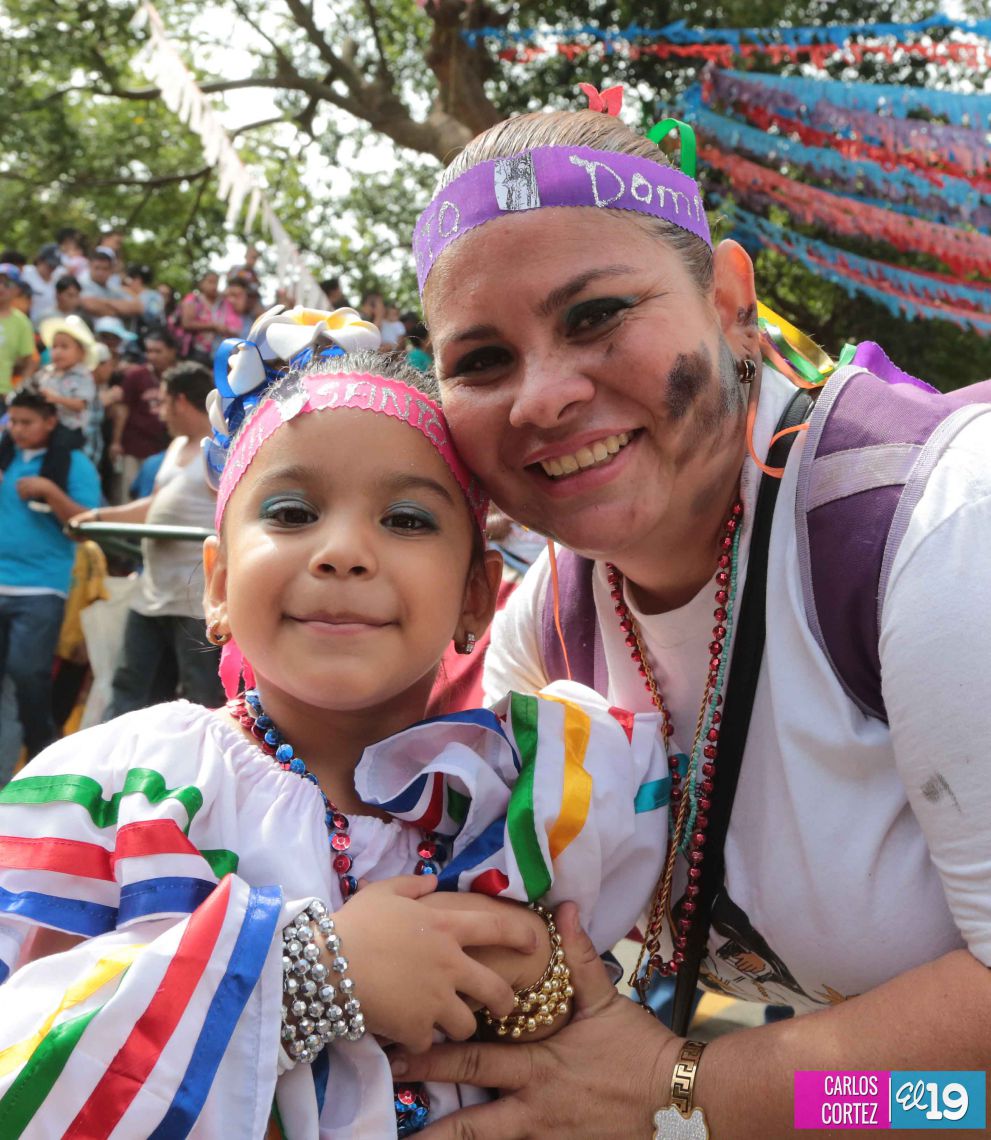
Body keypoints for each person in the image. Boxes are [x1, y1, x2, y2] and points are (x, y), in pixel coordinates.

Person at [384, 102, 991, 1136]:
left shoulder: (937, 530)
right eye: (481, 360)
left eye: (595, 315)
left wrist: (689, 1091)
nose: (542, 398)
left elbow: (950, 1104)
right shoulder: (547, 628)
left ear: (729, 301)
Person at [0, 308, 670, 1136]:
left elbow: (817, 1095)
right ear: (217, 582)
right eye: (290, 513)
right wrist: (308, 974)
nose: (344, 551)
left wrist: (538, 995)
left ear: (476, 595)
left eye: (407, 520)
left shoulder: (535, 798)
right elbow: (23, 1073)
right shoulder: (126, 795)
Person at [74, 361, 226, 715]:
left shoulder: (222, 448)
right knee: (131, 687)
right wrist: (98, 517)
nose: (159, 412)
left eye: (163, 402)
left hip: (194, 602)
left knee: (199, 696)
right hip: (153, 593)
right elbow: (154, 506)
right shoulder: (176, 447)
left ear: (181, 401)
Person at [0, 389, 100, 768]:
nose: (17, 429)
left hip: (41, 585)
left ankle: (40, 756)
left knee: (28, 674)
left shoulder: (73, 463)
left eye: (27, 422)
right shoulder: (5, 454)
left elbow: (87, 526)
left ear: (50, 421)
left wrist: (49, 492)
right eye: (13, 421)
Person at [106, 326, 172, 502]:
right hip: (134, 445)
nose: (152, 356)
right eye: (149, 351)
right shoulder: (136, 375)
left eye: (158, 351)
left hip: (163, 447)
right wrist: (116, 441)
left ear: (172, 351)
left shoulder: (178, 376)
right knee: (128, 494)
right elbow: (123, 409)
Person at [177, 270, 240, 360]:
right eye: (210, 282)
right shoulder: (193, 300)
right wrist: (213, 326)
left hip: (218, 352)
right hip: (197, 351)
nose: (214, 286)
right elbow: (186, 323)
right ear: (201, 284)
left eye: (216, 282)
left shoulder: (223, 302)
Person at [0, 264, 36, 395]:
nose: (1, 287)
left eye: (8, 284)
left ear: (17, 290)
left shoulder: (22, 322)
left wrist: (18, 391)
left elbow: (29, 361)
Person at [21, 243, 64, 325]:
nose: (52, 269)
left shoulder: (58, 277)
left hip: (52, 324)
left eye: (55, 266)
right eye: (50, 265)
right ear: (40, 260)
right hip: (29, 323)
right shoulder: (25, 273)